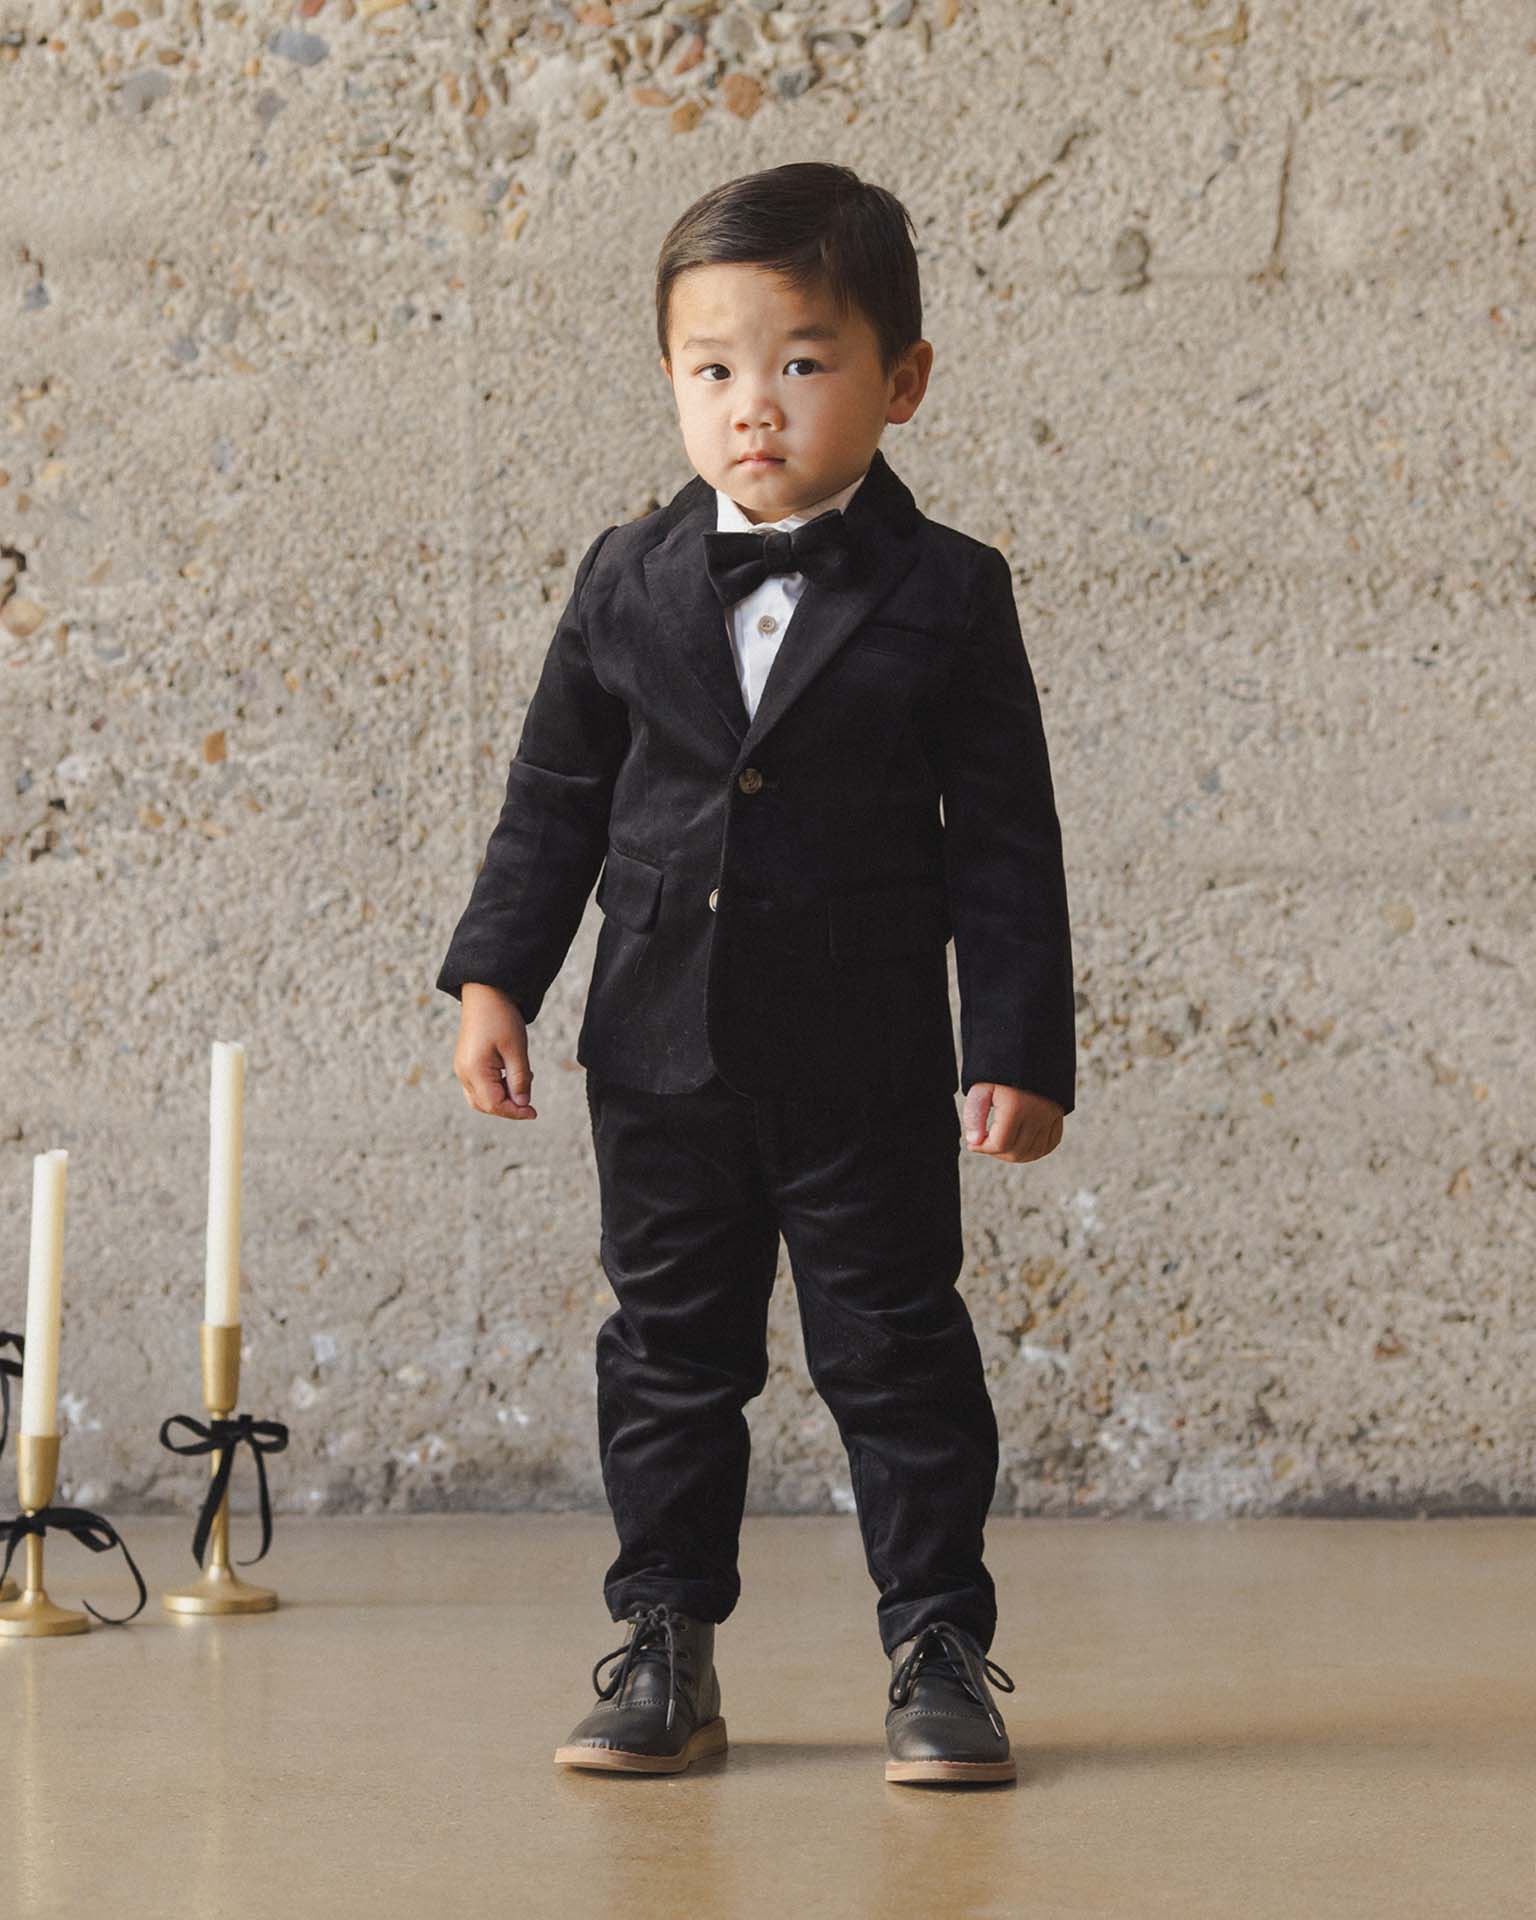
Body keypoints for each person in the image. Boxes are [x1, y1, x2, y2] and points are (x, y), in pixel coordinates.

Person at [438, 161, 1075, 1787]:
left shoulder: (951, 591)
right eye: (712, 368)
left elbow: (1007, 840)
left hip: (866, 1053)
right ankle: (664, 1640)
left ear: (901, 380)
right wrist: (497, 980)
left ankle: (938, 1648)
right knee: (668, 1354)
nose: (754, 406)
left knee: (898, 1351)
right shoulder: (624, 577)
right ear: (669, 379)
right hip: (657, 1051)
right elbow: (554, 801)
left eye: (801, 361)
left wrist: (1017, 1046)